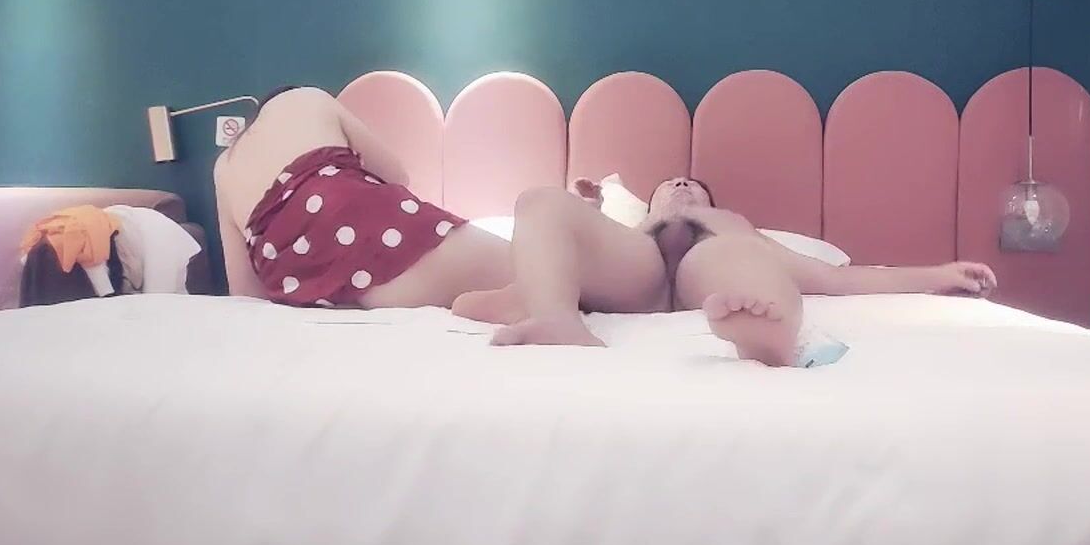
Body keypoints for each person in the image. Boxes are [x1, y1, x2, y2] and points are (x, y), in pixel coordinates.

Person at [453, 177, 997, 366]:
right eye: (671, 185)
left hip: (709, 266)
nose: (681, 186)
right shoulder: (632, 228)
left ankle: (764, 331)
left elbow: (838, 279)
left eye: (693, 185)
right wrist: (588, 214)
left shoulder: (729, 226)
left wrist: (935, 274)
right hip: (635, 272)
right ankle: (555, 316)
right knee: (540, 201)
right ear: (649, 203)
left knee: (741, 258)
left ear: (712, 201)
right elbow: (566, 236)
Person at [214, 86, 512, 309]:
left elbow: (245, 293)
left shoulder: (222, 167)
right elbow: (397, 174)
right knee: (524, 267)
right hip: (356, 220)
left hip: (298, 282)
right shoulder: (305, 97)